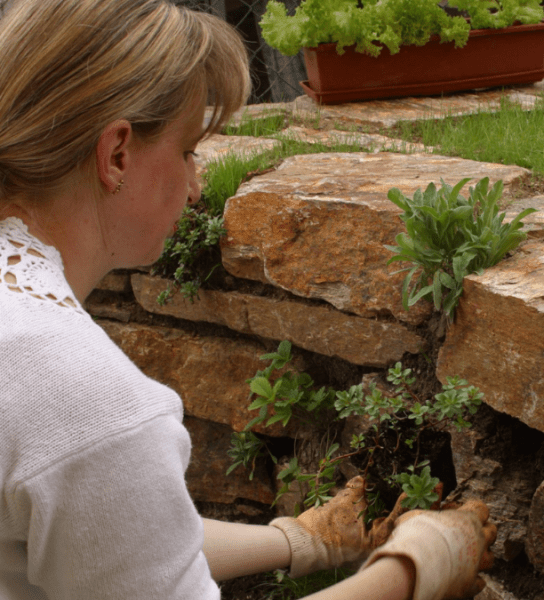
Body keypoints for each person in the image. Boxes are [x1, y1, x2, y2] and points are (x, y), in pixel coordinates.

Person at [0, 1, 496, 599]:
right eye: (187, 150)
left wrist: (301, 539)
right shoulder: (83, 397)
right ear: (117, 156)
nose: (196, 183)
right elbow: (93, 466)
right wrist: (418, 566)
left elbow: (110, 535)